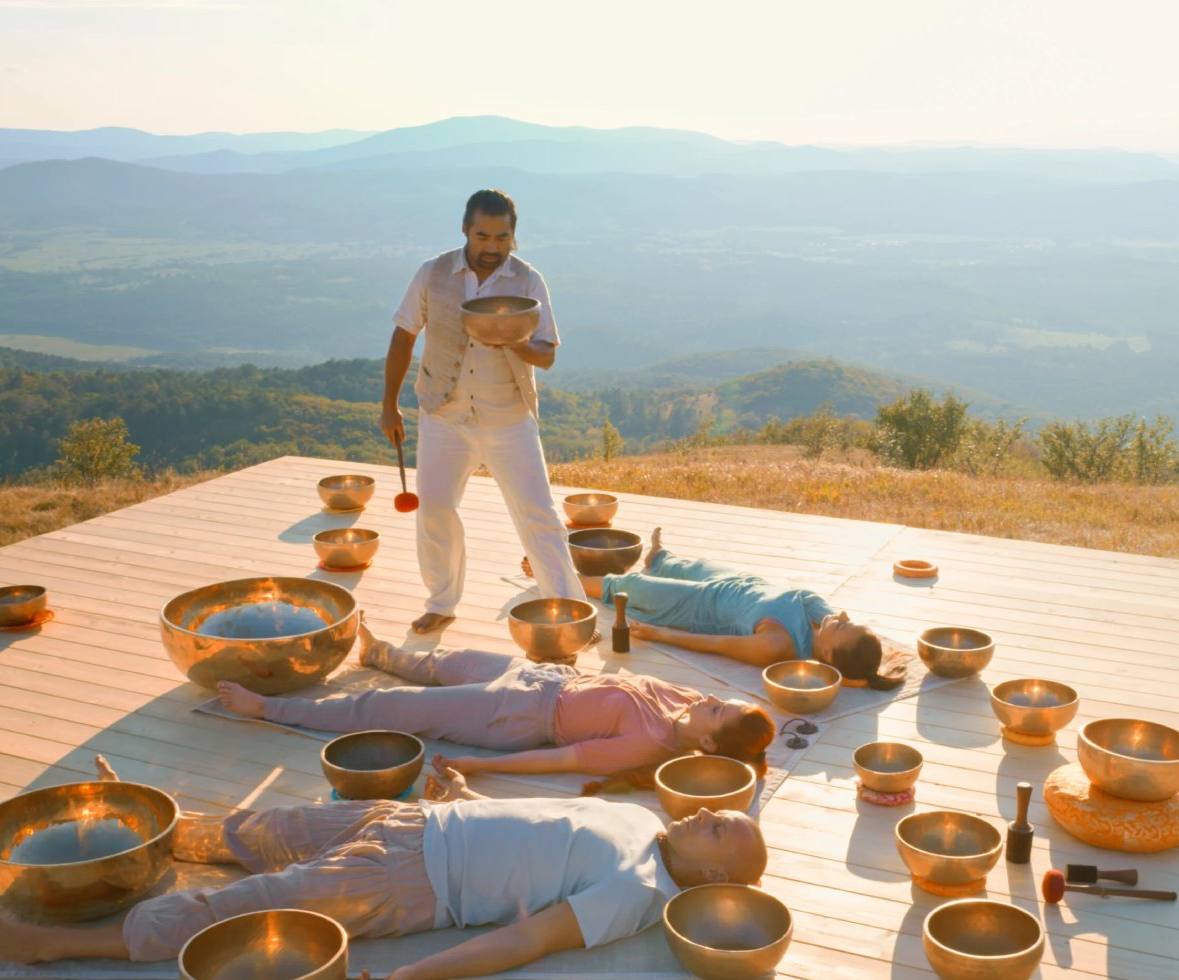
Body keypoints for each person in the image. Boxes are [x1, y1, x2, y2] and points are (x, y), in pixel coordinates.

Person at [0, 755, 768, 980]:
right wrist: (466, 801)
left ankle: (50, 943)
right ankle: (149, 833)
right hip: (408, 822)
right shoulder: (638, 818)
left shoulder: (634, 893)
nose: (709, 811)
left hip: (409, 880)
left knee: (239, 907)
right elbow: (538, 825)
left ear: (713, 878)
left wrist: (420, 974)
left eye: (722, 828)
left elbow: (526, 939)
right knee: (257, 830)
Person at [216, 622, 774, 787]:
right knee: (442, 661)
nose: (713, 700)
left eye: (718, 712)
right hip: (540, 675)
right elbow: (736, 712)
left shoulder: (645, 745)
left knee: (390, 707)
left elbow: (558, 762)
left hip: (513, 715)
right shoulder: (688, 701)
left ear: (705, 742)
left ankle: (267, 709)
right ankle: (380, 650)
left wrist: (480, 765)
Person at [380, 188, 584, 636]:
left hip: (508, 416)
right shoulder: (433, 273)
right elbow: (403, 337)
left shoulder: (529, 280)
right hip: (443, 414)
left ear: (514, 236)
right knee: (434, 511)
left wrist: (512, 340)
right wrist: (389, 406)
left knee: (538, 514)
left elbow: (546, 355)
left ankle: (570, 610)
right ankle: (441, 602)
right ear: (465, 230)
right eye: (483, 235)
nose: (492, 246)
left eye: (502, 237)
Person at [583, 529, 909, 689]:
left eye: (841, 627)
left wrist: (660, 634)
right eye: (846, 619)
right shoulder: (823, 618)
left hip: (702, 605)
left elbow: (719, 645)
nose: (840, 617)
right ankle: (659, 560)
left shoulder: (778, 645)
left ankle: (564, 577)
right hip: (742, 582)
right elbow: (859, 660)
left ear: (827, 656)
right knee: (690, 565)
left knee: (635, 588)